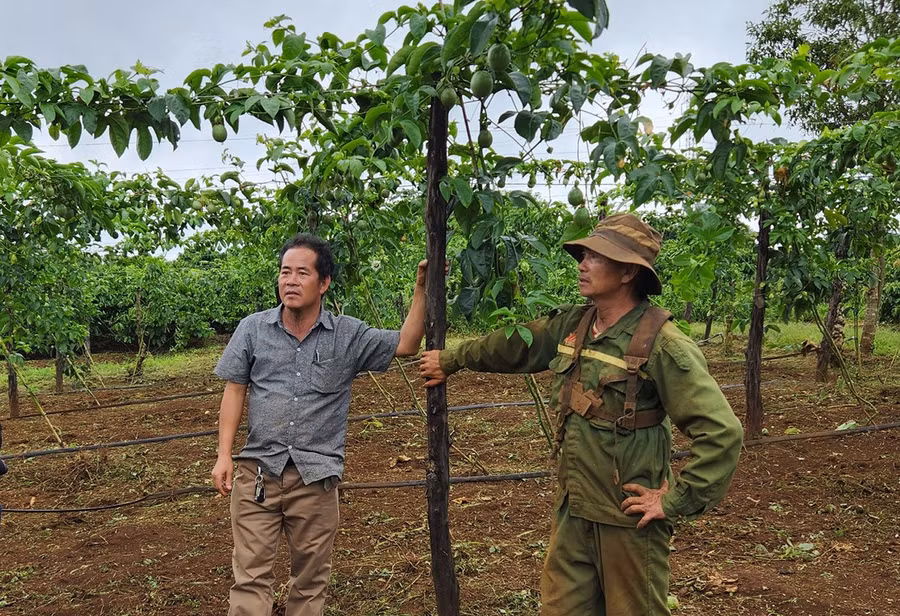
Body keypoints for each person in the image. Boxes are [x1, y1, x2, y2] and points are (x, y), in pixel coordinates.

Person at [419, 213, 743, 615]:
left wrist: (674, 500)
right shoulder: (576, 324)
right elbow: (513, 345)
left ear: (627, 272)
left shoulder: (661, 344)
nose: (582, 264)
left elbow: (722, 432)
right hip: (574, 509)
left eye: (595, 257)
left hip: (627, 520)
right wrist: (452, 358)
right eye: (583, 254)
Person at [212, 233, 429, 616]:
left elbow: (408, 343)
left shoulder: (347, 335)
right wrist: (223, 455)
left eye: (301, 273)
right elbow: (235, 389)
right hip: (258, 476)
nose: (290, 281)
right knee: (250, 579)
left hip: (315, 481)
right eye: (284, 272)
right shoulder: (253, 329)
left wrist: (421, 289)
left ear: (324, 282)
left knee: (310, 585)